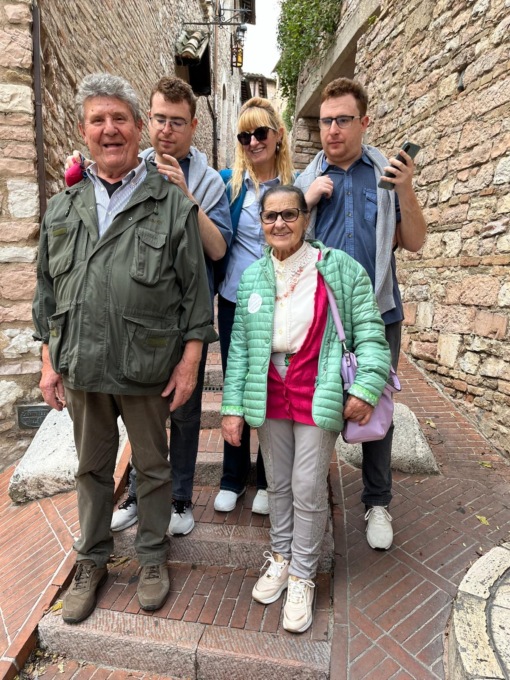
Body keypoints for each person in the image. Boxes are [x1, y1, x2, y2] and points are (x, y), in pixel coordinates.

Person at [33, 73, 217, 624]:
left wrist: (190, 362)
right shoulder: (62, 208)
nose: (109, 129)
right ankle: (92, 560)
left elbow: (195, 293)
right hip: (83, 364)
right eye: (98, 120)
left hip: (146, 364)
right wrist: (48, 362)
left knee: (153, 468)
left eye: (119, 118)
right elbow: (46, 292)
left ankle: (152, 557)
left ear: (139, 128)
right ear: (84, 131)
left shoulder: (170, 201)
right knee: (91, 470)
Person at [66, 77, 232, 537]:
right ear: (147, 122)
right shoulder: (128, 167)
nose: (166, 130)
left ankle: (179, 498)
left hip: (186, 318)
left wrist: (186, 197)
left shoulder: (209, 181)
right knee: (142, 419)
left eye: (177, 122)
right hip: (136, 323)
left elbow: (219, 249)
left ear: (193, 126)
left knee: (184, 414)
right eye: (159, 119)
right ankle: (140, 495)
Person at [221, 185, 391, 633]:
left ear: (306, 218)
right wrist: (232, 407)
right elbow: (239, 350)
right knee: (277, 482)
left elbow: (371, 335)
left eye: (289, 214)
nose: (279, 223)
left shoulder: (340, 269)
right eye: (270, 216)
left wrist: (367, 387)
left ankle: (302, 574)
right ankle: (281, 556)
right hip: (269, 388)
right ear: (261, 223)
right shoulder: (253, 277)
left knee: (307, 485)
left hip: (317, 384)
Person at [295, 77, 427, 550]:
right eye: (325, 121)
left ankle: (377, 502)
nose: (332, 130)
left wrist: (406, 190)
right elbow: (283, 244)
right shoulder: (306, 181)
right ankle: (309, 497)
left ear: (364, 122)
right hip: (321, 317)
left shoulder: (386, 176)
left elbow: (414, 241)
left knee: (376, 406)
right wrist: (306, 201)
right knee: (316, 407)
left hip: (379, 312)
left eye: (342, 120)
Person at [214, 97, 295, 515]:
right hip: (235, 299)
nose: (253, 142)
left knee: (271, 386)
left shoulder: (295, 184)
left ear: (278, 135)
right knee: (237, 383)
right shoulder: (229, 184)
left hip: (280, 300)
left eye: (260, 132)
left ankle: (267, 478)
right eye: (244, 135)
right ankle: (233, 476)